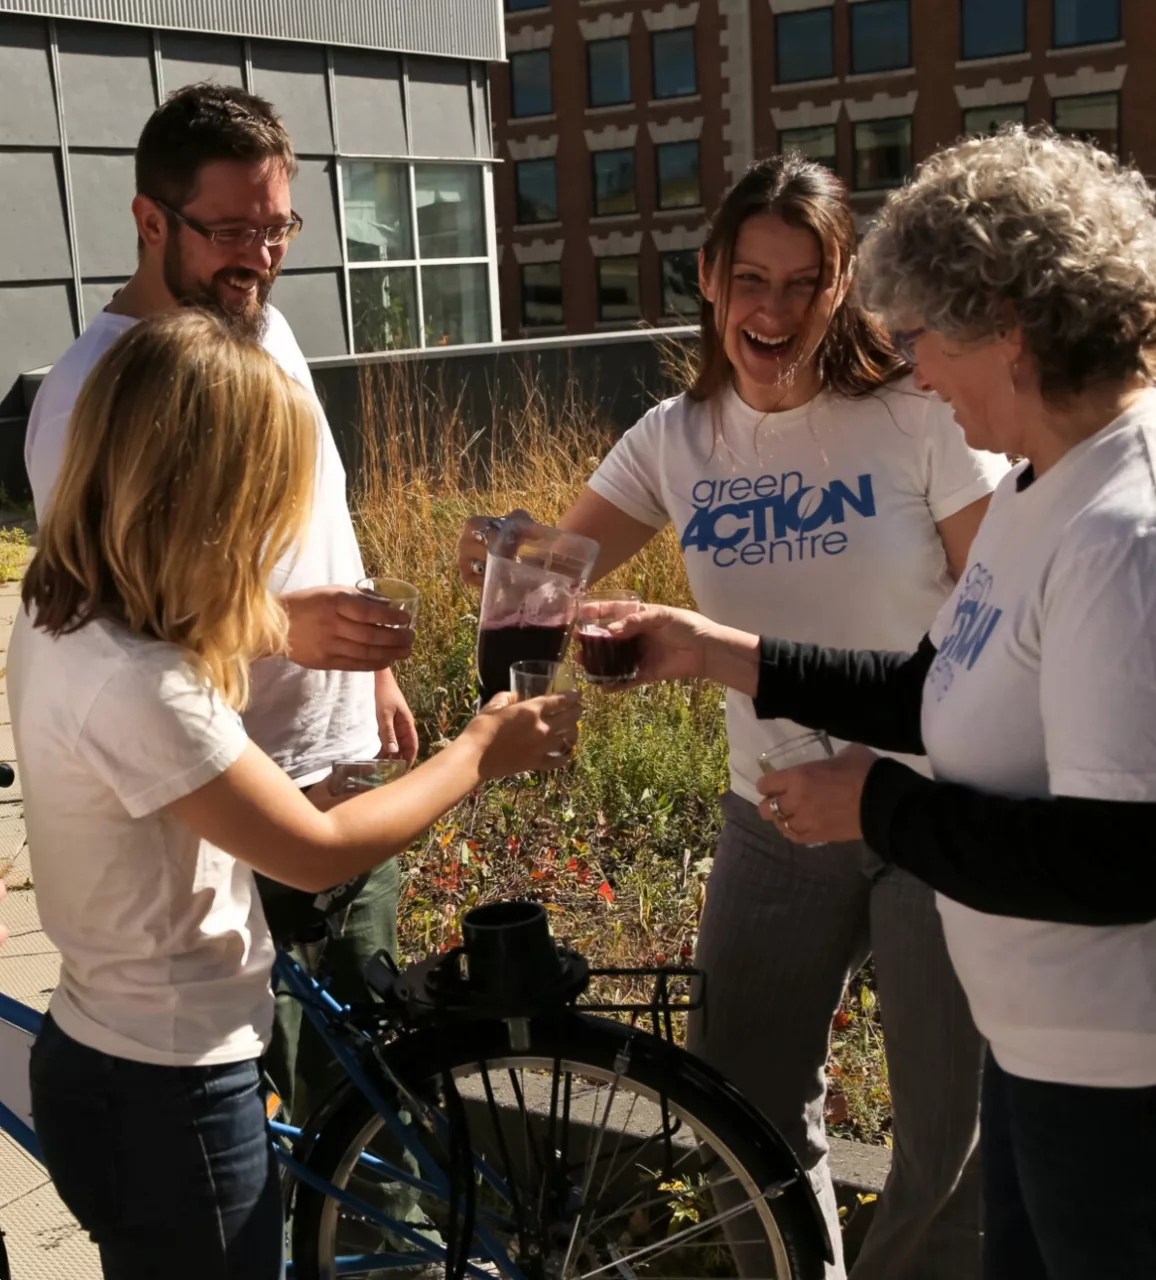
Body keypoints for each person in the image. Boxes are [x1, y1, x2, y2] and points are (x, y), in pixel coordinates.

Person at [603, 127, 1156, 1280]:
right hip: (1046, 1053)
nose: (917, 371)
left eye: (923, 340)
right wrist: (719, 652)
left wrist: (882, 808)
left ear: (1007, 326)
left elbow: (1122, 855)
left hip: (1117, 1078)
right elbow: (939, 684)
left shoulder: (1122, 535)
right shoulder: (1040, 491)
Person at [458, 154, 1009, 1279]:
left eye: (804, 281)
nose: (773, 309)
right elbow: (551, 573)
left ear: (842, 281)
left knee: (946, 1140)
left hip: (930, 804)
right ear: (707, 278)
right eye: (748, 277)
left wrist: (890, 776)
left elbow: (997, 623)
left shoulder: (918, 414)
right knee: (738, 1106)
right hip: (772, 811)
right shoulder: (675, 436)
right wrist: (505, 556)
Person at [11, 309, 581, 1280]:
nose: (272, 519)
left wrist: (271, 623)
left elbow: (171, 625)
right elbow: (313, 848)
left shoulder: (65, 602)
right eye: (263, 489)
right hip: (170, 1093)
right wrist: (476, 749)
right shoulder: (139, 681)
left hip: (117, 1059)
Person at [22, 82, 410, 1123]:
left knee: (374, 1093)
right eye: (232, 227)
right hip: (239, 809)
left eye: (277, 224)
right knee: (270, 1117)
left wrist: (370, 665)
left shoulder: (254, 320)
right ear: (151, 219)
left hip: (335, 761)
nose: (261, 253)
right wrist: (285, 628)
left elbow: (324, 499)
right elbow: (114, 609)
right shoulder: (92, 392)